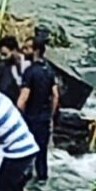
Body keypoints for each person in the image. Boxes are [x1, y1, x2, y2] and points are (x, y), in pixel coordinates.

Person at [17, 36, 60, 181]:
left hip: (30, 119)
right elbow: (55, 95)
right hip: (44, 119)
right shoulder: (49, 70)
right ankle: (42, 181)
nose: (24, 51)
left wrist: (18, 116)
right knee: (42, 156)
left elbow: (23, 98)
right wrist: (51, 115)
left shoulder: (30, 71)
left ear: (36, 51)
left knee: (25, 154)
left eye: (27, 48)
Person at [0, 36, 28, 102]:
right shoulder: (4, 66)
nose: (2, 58)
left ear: (14, 51)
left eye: (5, 54)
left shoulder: (27, 65)